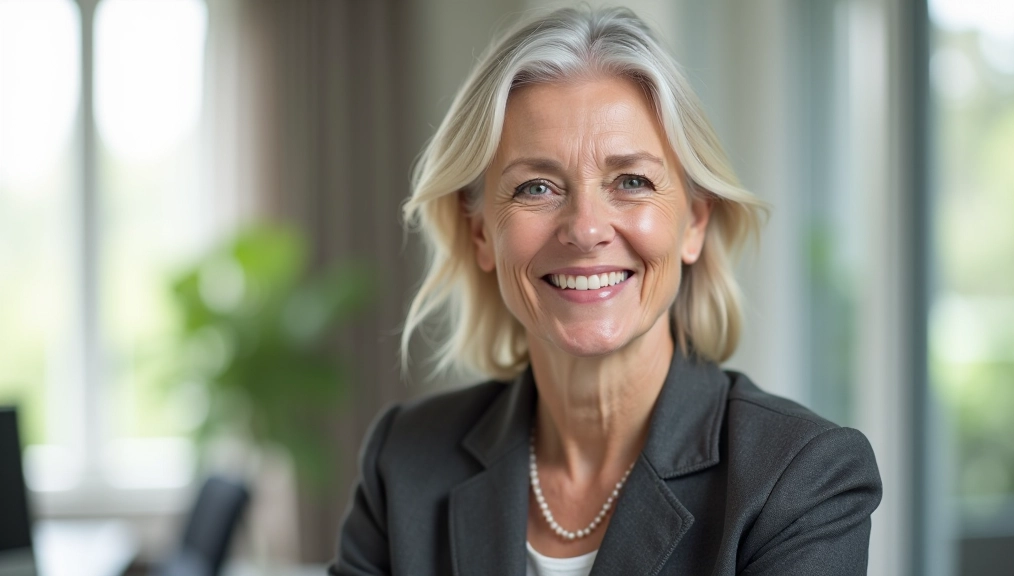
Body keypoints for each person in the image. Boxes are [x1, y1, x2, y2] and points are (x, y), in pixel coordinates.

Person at [330, 6, 882, 576]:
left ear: (694, 222)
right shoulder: (404, 462)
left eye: (631, 181)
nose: (586, 229)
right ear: (480, 235)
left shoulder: (800, 479)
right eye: (536, 187)